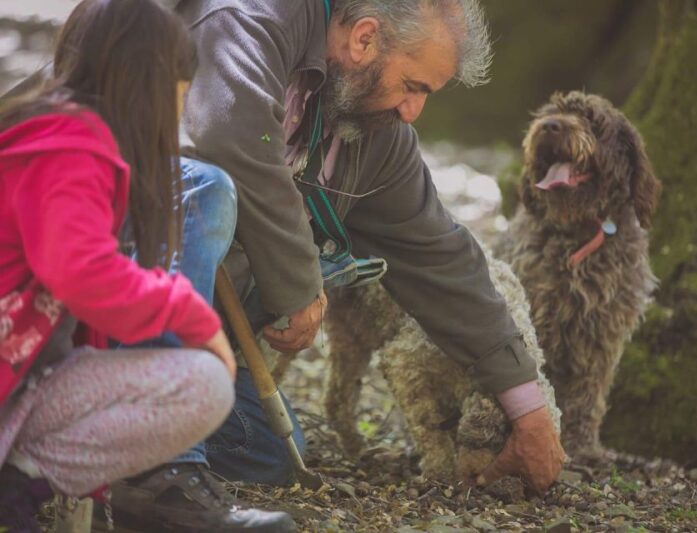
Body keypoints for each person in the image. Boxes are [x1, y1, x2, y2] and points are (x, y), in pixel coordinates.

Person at [103, 0, 566, 529]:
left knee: (266, 455)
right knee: (207, 189)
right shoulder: (249, 19)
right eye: (414, 85)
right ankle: (153, 467)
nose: (413, 111)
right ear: (364, 38)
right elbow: (228, 137)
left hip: (198, 330)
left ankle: (93, 436)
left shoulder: (373, 130)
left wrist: (528, 409)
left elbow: (441, 256)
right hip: (86, 278)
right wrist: (298, 285)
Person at [0, 0, 295, 532]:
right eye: (182, 95)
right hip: (12, 375)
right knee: (202, 383)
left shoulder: (55, 134)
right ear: (151, 85)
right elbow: (82, 272)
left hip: (22, 375)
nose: (178, 117)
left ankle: (19, 482)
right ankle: (17, 486)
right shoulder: (72, 149)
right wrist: (189, 313)